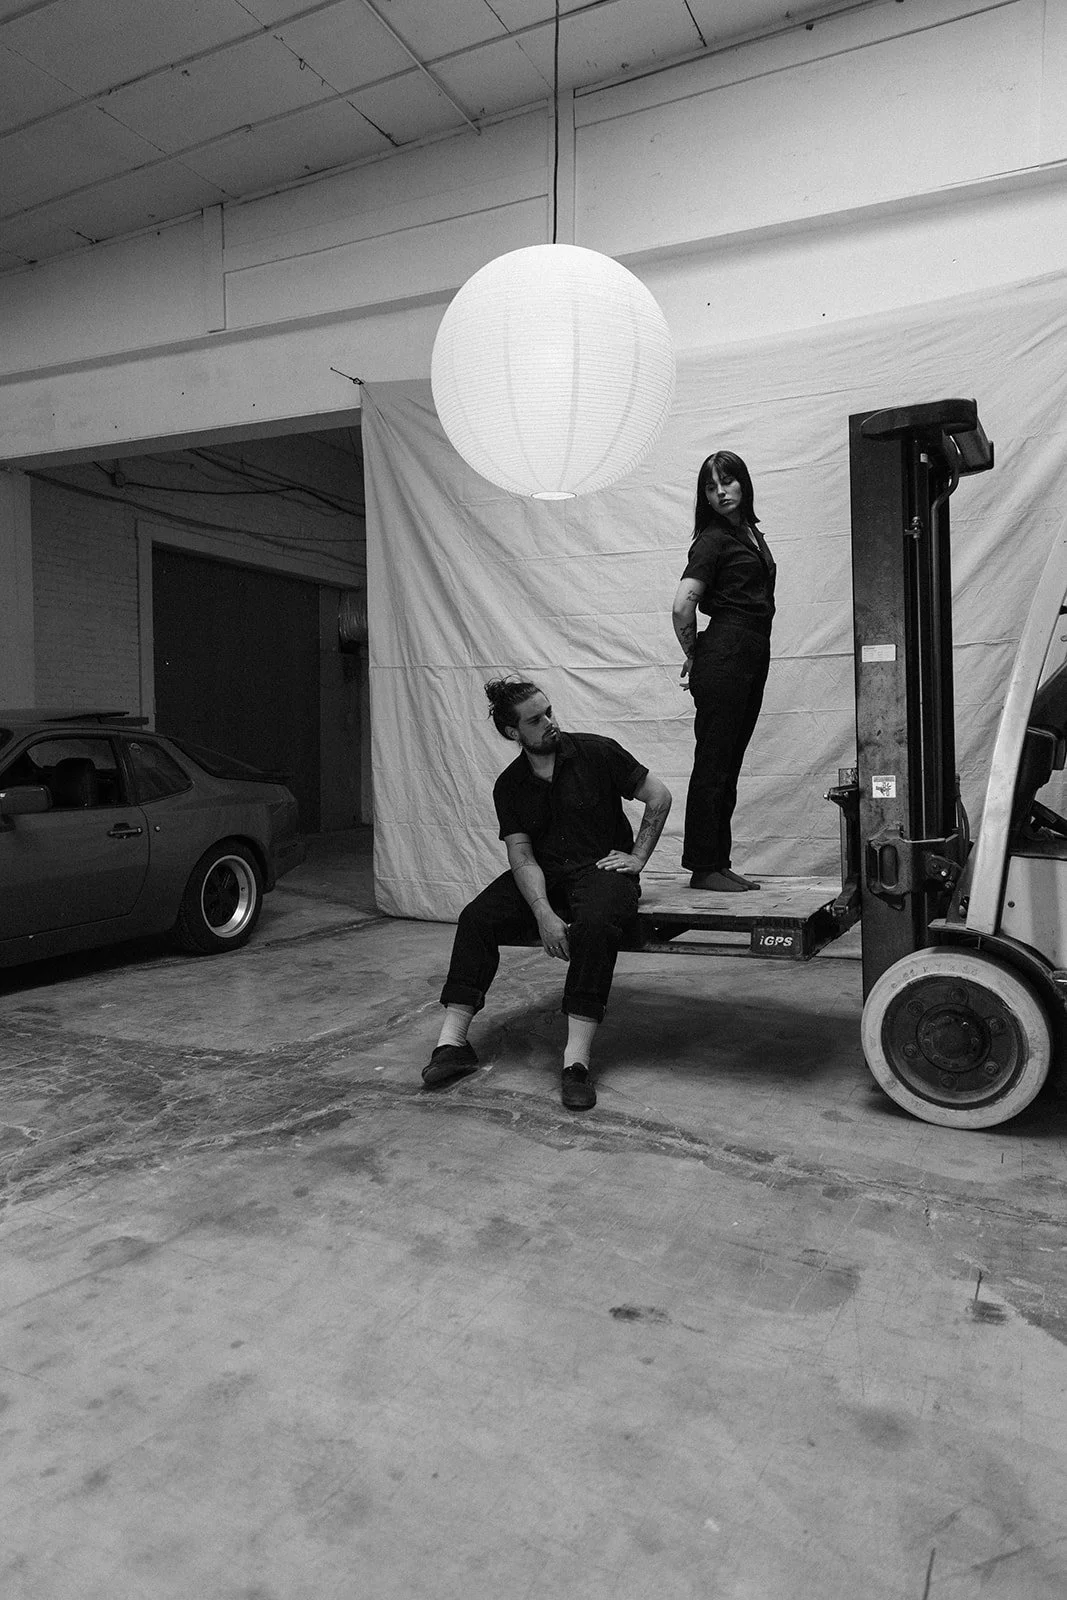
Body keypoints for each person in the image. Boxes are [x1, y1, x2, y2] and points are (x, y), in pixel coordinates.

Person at [422, 678, 672, 1111]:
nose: (550, 723)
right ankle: (452, 1044)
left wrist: (638, 857)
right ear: (513, 732)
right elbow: (522, 856)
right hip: (546, 877)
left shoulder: (597, 752)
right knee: (476, 918)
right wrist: (541, 910)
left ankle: (575, 1063)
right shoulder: (510, 785)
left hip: (601, 872)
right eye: (536, 720)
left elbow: (659, 796)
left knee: (594, 926)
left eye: (549, 712)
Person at [671, 450, 776, 892]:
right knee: (715, 763)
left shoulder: (749, 533)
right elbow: (682, 606)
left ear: (743, 484)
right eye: (711, 487)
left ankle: (717, 861)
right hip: (727, 651)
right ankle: (703, 865)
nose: (720, 492)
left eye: (728, 482)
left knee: (728, 763)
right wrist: (694, 653)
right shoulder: (713, 540)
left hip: (750, 650)